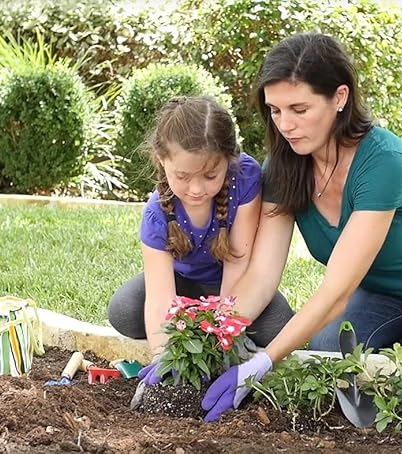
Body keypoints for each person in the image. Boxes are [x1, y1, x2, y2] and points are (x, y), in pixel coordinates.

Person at [200, 32, 402, 422]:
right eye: (275, 111)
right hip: (388, 289)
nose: (285, 125)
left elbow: (336, 293)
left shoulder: (384, 161)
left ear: (340, 97)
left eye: (299, 108)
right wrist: (207, 339)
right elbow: (261, 276)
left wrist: (262, 362)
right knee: (326, 349)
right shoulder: (283, 167)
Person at [107, 96, 294, 385]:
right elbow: (160, 298)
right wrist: (162, 357)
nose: (196, 189)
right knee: (124, 311)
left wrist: (224, 332)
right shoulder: (156, 215)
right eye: (183, 176)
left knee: (279, 325)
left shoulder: (244, 178)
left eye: (210, 175)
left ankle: (199, 326)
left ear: (228, 160)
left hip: (234, 286)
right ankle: (191, 324)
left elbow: (238, 261)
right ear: (161, 160)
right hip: (181, 288)